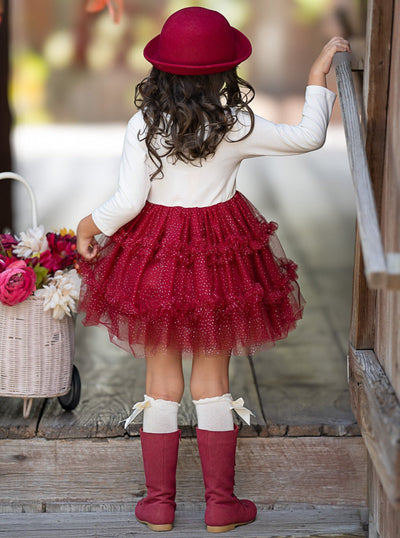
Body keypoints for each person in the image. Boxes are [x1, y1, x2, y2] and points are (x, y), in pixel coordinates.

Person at [76, 6, 350, 534]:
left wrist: (89, 223)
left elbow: (129, 201)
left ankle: (158, 504)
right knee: (212, 378)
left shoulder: (144, 124)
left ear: (160, 70)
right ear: (226, 72)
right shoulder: (235, 123)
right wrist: (317, 78)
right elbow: (308, 138)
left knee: (160, 378)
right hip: (218, 259)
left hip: (154, 257)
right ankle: (221, 505)